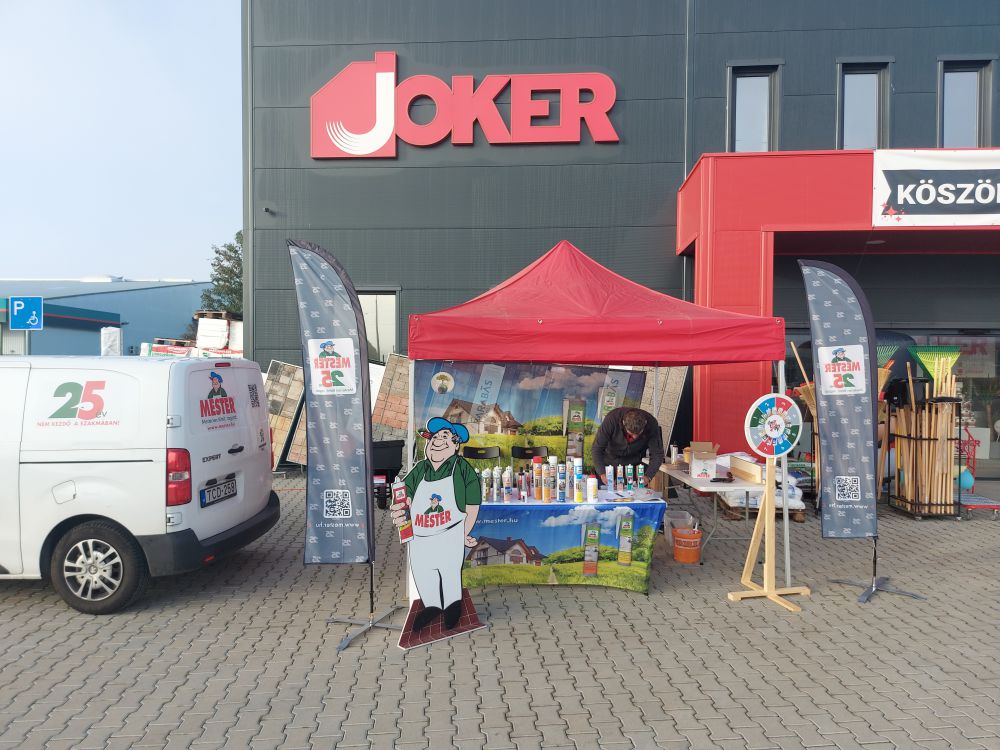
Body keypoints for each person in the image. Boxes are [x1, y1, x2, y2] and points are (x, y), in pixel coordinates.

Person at [390, 417, 481, 632]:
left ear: (455, 445)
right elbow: (405, 493)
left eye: (445, 436)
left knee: (449, 572)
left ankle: (452, 606)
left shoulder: (461, 468)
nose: (438, 441)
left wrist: (464, 532)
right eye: (435, 437)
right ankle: (431, 605)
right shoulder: (421, 468)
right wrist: (400, 507)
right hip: (420, 536)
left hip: (450, 533)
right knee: (423, 572)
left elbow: (472, 503)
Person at [591, 407, 665, 487]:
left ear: (645, 423)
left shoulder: (652, 424)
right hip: (609, 464)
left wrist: (648, 476)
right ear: (623, 423)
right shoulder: (611, 419)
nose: (635, 437)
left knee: (633, 493)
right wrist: (602, 473)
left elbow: (657, 454)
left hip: (634, 466)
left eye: (638, 434)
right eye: (631, 434)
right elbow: (597, 448)